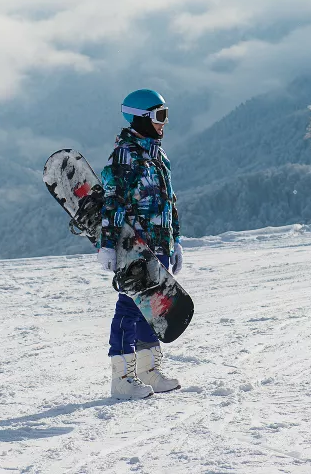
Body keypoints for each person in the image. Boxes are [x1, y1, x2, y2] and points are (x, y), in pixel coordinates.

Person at [98, 89, 184, 399]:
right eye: (160, 116)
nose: (164, 122)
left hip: (159, 244)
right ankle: (122, 378)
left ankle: (149, 371)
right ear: (142, 118)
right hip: (133, 245)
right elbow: (113, 201)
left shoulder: (158, 156)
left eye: (166, 114)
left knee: (154, 306)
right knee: (131, 306)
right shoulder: (126, 155)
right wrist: (108, 244)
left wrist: (176, 241)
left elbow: (169, 202)